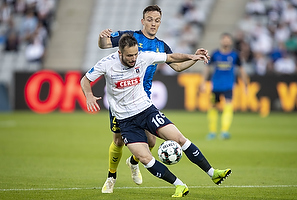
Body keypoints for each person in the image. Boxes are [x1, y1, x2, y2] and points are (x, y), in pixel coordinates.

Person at [81, 34, 231, 198]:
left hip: (146, 111)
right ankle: (179, 185)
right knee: (145, 158)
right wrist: (88, 95)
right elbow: (85, 80)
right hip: (125, 120)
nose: (133, 59)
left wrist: (193, 56)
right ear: (120, 53)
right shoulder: (107, 63)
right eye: (129, 55)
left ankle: (213, 173)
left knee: (180, 139)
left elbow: (172, 57)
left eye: (135, 54)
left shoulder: (144, 57)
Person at [97, 5, 209, 193]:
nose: (153, 23)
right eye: (149, 19)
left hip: (144, 101)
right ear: (143, 21)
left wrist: (195, 58)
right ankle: (111, 176)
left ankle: (134, 162)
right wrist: (101, 37)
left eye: (157, 20)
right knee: (118, 142)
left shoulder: (161, 46)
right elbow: (104, 44)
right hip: (122, 102)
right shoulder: (130, 37)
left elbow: (178, 67)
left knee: (150, 142)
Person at [200, 33, 248, 140]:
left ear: (230, 42)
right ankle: (212, 131)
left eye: (228, 40)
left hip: (228, 86)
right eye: (224, 39)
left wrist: (245, 85)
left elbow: (241, 70)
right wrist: (203, 83)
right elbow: (207, 68)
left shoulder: (235, 55)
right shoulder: (215, 54)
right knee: (213, 107)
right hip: (215, 86)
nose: (226, 41)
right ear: (221, 41)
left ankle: (224, 131)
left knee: (228, 106)